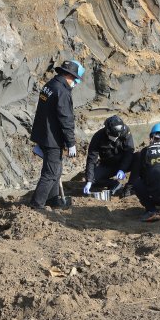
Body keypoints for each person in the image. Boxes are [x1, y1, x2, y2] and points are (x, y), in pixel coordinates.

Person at [29, 60, 85, 209]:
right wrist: (71, 143)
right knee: (51, 173)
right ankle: (36, 205)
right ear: (69, 75)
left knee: (56, 170)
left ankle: (52, 199)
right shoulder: (62, 91)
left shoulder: (50, 85)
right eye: (76, 80)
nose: (76, 83)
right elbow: (66, 119)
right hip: (52, 138)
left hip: (43, 133)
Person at [83, 115, 135, 196]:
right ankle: (114, 184)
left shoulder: (125, 131)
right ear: (107, 131)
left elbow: (129, 152)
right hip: (108, 165)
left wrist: (122, 169)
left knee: (139, 157)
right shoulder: (98, 137)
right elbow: (91, 159)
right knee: (92, 178)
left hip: (124, 163)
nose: (115, 139)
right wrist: (89, 181)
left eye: (117, 136)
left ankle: (131, 186)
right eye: (113, 136)